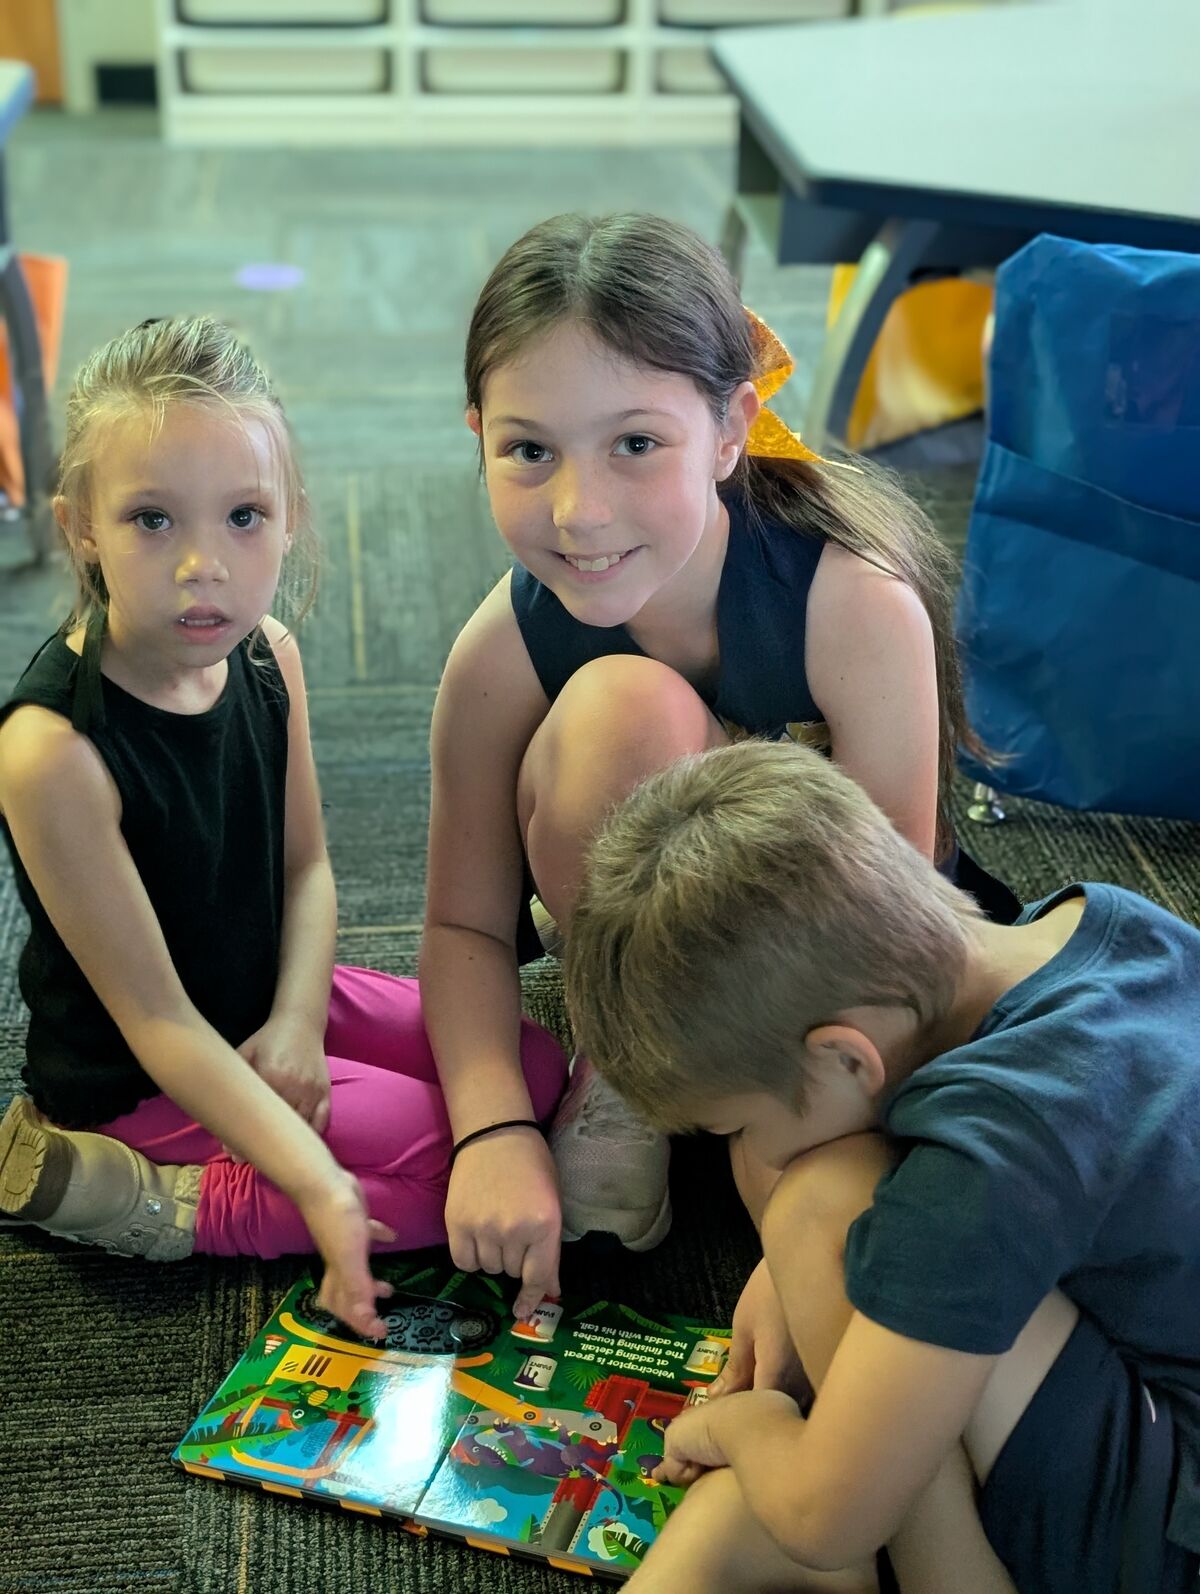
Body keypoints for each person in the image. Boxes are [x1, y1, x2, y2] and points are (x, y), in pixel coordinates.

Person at [422, 210, 1018, 1323]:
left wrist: (803, 1143)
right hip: (645, 964)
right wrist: (493, 1129)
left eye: (635, 443)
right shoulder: (498, 654)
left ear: (734, 425)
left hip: (832, 980)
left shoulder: (854, 604)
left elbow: (896, 923)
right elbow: (460, 928)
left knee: (867, 1258)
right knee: (622, 705)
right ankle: (624, 1064)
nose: (578, 510)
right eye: (528, 448)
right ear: (478, 432)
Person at [0, 316, 566, 1339]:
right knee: (445, 1157)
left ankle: (299, 1148)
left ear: (295, 515)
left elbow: (307, 872)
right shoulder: (54, 752)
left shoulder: (270, 655)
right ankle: (162, 1205)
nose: (203, 565)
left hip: (268, 1001)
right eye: (152, 520)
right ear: (80, 525)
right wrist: (319, 1189)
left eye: (244, 516)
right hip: (143, 1071)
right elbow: (158, 1022)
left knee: (529, 1081)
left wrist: (301, 1021)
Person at [561, 737, 1200, 1594]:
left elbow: (827, 1521)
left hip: (1171, 1530)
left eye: (738, 1126)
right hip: (1152, 1378)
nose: (747, 1151)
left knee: (817, 1202)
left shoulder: (984, 1161)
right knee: (734, 1524)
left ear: (846, 1059)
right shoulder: (1099, 920)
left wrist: (740, 1429)